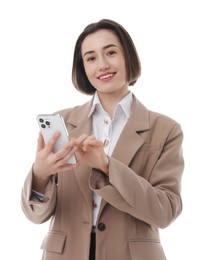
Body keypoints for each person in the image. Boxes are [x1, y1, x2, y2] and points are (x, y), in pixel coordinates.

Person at [21, 18, 184, 260]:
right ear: (83, 67)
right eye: (91, 58)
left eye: (111, 52)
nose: (102, 65)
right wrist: (40, 174)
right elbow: (35, 215)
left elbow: (165, 212)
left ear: (128, 56)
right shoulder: (63, 122)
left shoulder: (165, 129)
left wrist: (108, 166)